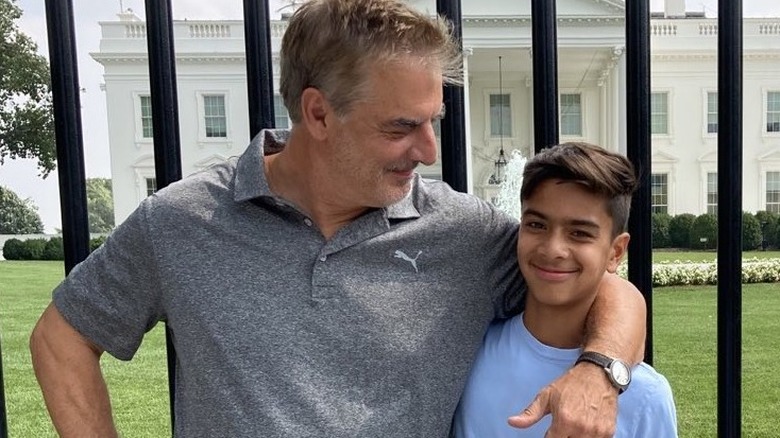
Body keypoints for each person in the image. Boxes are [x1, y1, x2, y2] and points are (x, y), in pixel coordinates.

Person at [29, 0, 647, 436]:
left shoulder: (464, 234)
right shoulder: (183, 221)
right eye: (402, 127)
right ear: (318, 114)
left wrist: (601, 372)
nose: (430, 150)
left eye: (433, 121)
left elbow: (606, 287)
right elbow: (62, 337)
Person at [452, 142, 677, 437]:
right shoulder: (468, 353)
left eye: (579, 233)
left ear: (616, 252)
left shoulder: (647, 396)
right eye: (536, 224)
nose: (553, 248)